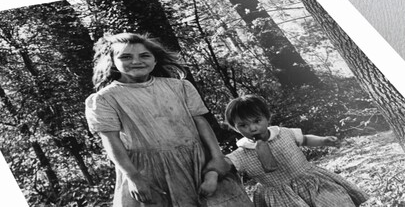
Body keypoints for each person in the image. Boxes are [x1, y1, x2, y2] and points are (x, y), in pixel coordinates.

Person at [85, 32, 253, 207]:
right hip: (148, 171)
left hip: (198, 161)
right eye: (126, 57)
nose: (136, 61)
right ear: (112, 62)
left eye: (144, 55)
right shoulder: (104, 99)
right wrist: (133, 176)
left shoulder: (180, 87)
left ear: (155, 60)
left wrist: (217, 156)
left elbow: (201, 123)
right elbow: (110, 140)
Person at [221, 94, 369, 207]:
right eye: (243, 125)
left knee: (335, 201)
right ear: (235, 128)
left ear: (267, 118)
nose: (252, 128)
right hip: (279, 195)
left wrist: (323, 140)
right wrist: (212, 174)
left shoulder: (283, 133)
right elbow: (225, 164)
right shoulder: (241, 154)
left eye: (257, 121)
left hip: (311, 181)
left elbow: (304, 139)